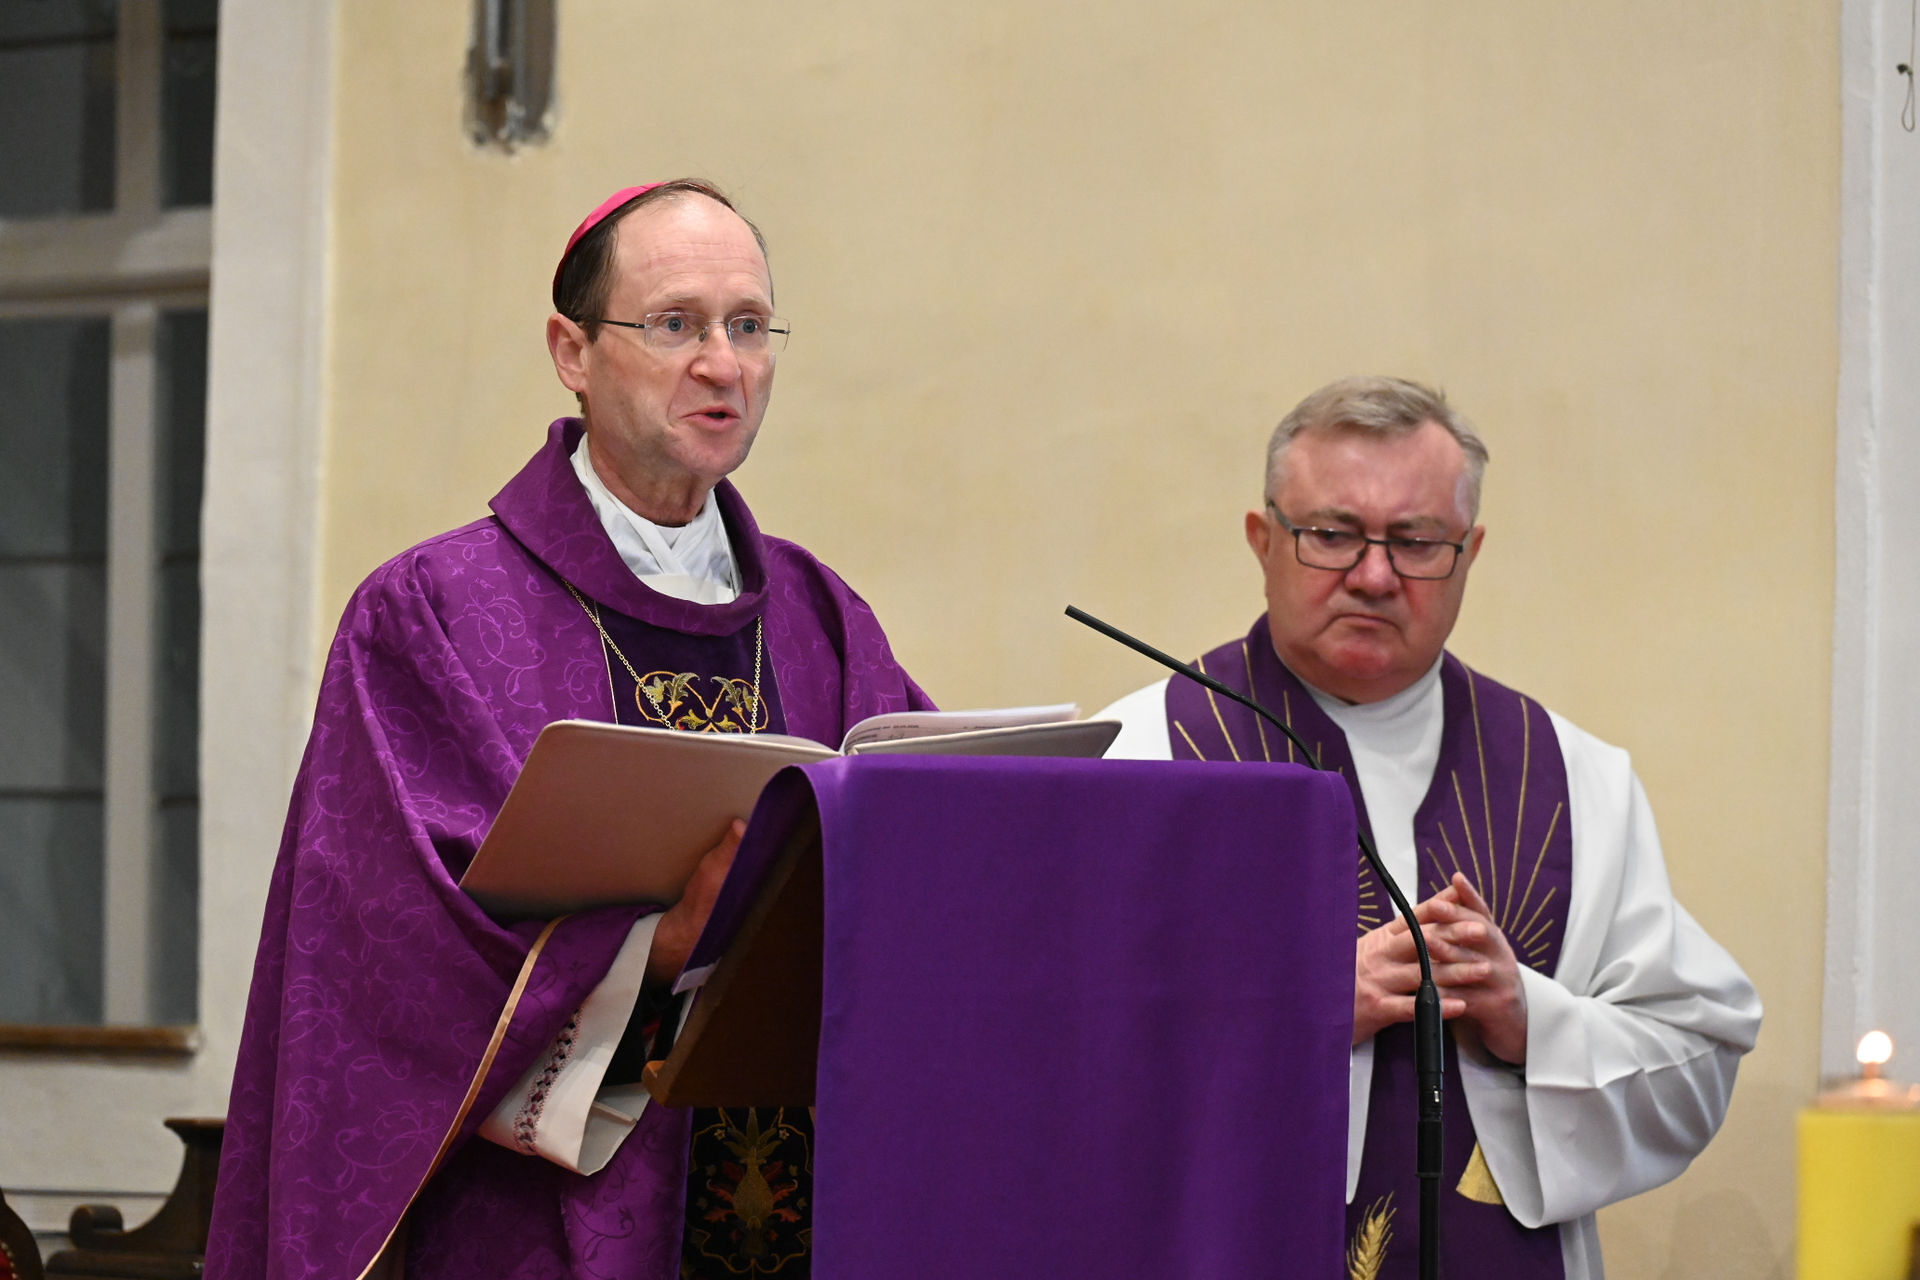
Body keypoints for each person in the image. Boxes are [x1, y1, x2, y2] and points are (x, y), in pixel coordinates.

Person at [205, 181, 933, 1280]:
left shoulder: (819, 617)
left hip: (804, 1214)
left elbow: (920, 858)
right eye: (676, 323)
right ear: (572, 351)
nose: (723, 365)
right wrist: (657, 948)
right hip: (534, 1230)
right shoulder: (433, 611)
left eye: (748, 326)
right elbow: (377, 968)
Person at [1097, 376, 1760, 1280]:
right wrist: (1302, 1013)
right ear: (1263, 540)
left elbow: (1694, 1054)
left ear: (1469, 553)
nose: (1374, 576)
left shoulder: (1575, 778)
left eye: (1415, 543)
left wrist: (1532, 1022)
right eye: (1333, 534)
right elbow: (1054, 1059)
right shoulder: (1135, 757)